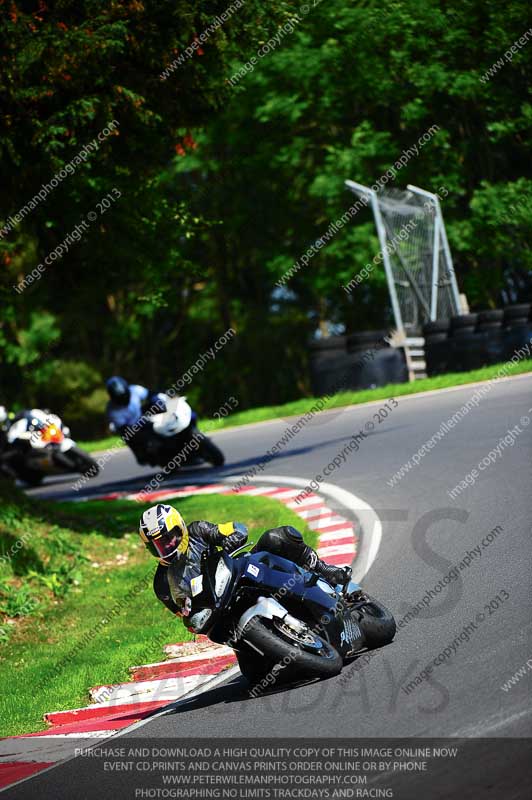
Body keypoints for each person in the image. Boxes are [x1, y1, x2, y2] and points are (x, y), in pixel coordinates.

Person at [138, 503, 352, 618]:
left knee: (276, 538)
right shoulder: (161, 584)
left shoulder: (197, 531)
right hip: (223, 611)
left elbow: (235, 528)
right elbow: (184, 615)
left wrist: (232, 538)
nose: (165, 546)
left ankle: (325, 571)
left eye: (168, 538)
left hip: (242, 572)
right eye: (157, 544)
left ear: (180, 528)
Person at [105, 376, 166, 462]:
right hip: (133, 427)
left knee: (159, 403)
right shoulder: (112, 410)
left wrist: (160, 401)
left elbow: (151, 394)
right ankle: (145, 451)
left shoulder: (135, 389)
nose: (123, 399)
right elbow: (124, 429)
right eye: (119, 398)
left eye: (124, 395)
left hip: (143, 415)